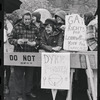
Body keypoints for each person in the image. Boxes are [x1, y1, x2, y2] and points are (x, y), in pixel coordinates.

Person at [8, 12, 40, 100]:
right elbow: (10, 39)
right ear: (23, 19)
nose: (27, 21)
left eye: (28, 19)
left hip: (31, 54)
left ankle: (28, 92)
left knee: (30, 75)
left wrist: (34, 43)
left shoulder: (35, 28)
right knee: (18, 75)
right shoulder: (17, 27)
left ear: (31, 19)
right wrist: (17, 41)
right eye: (25, 19)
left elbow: (40, 40)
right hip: (19, 54)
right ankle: (18, 95)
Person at [4, 12, 13, 95]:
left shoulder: (8, 25)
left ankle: (6, 85)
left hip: (6, 49)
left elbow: (11, 36)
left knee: (7, 68)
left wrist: (7, 31)